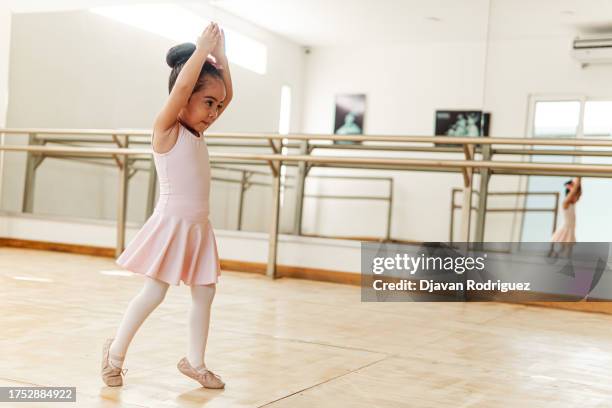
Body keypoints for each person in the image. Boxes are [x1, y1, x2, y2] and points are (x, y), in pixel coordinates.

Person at [101, 22, 233, 389]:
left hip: (198, 227)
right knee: (154, 293)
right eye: (208, 102)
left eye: (218, 106)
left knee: (205, 293)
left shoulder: (197, 132)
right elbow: (184, 89)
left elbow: (227, 95)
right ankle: (114, 354)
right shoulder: (167, 129)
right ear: (184, 95)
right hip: (172, 225)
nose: (214, 112)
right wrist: (201, 49)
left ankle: (195, 362)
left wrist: (220, 57)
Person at [552, 177, 581, 243]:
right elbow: (574, 191)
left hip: (570, 231)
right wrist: (578, 178)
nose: (578, 197)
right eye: (577, 196)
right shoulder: (565, 203)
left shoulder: (572, 204)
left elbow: (579, 192)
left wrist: (580, 181)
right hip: (565, 231)